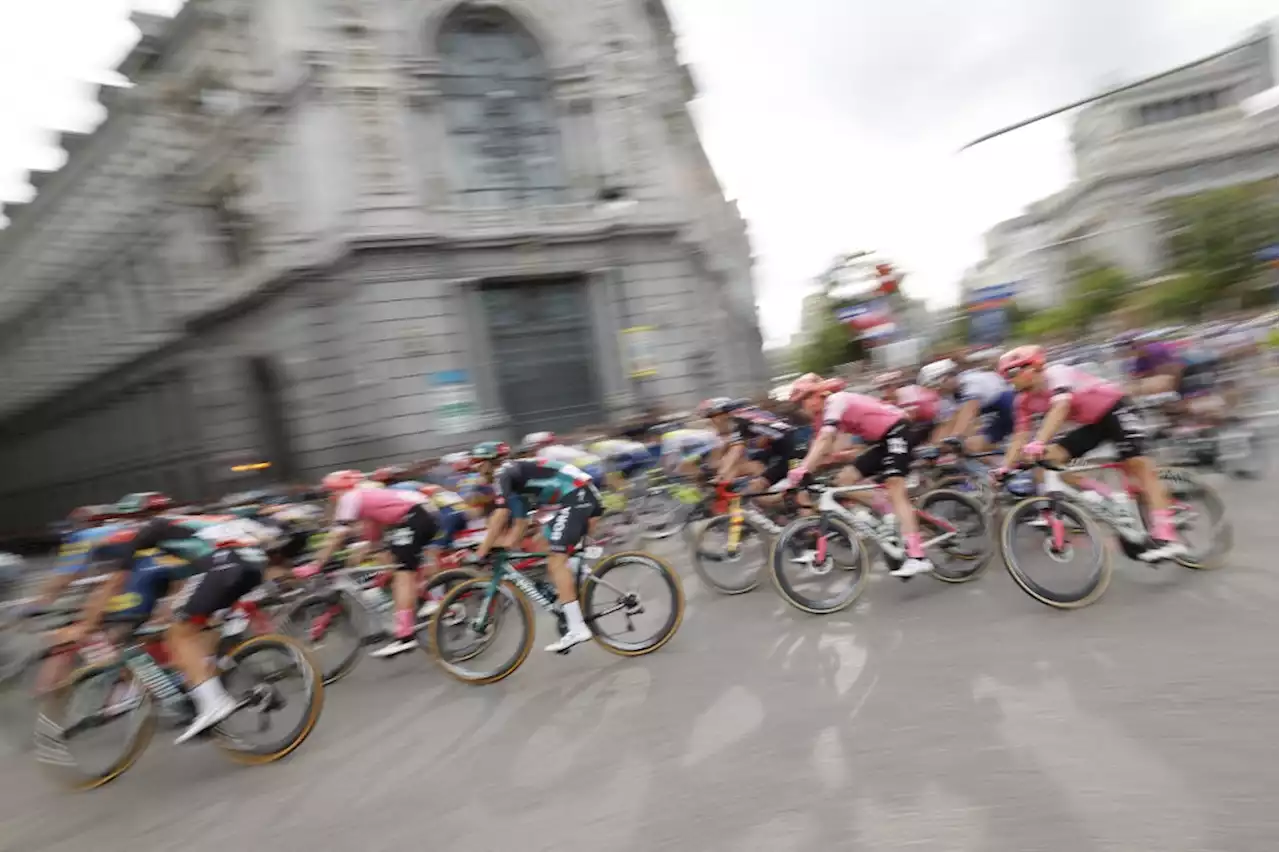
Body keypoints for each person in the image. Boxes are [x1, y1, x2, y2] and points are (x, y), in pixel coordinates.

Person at [64, 509, 289, 743]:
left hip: (226, 562)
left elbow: (114, 585)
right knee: (198, 633)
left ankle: (214, 703)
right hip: (251, 563)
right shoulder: (179, 531)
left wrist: (85, 625)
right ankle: (246, 690)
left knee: (177, 635)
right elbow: (183, 585)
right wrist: (166, 613)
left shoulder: (143, 538)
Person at [996, 345, 1186, 562]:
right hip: (1094, 423)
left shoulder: (1056, 374)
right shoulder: (1023, 401)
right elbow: (1020, 436)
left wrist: (1039, 441)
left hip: (1116, 409)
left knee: (1138, 465)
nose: (1010, 380)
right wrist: (1005, 467)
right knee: (1049, 460)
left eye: (1012, 373)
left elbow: (1061, 407)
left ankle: (1168, 537)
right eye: (1006, 376)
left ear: (1032, 367)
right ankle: (1107, 497)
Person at [785, 373, 935, 578]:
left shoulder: (835, 400)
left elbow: (827, 438)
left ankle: (918, 557)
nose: (805, 406)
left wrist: (804, 469)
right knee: (843, 480)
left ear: (820, 393)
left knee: (894, 486)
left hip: (899, 430)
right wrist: (805, 470)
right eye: (801, 403)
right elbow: (823, 446)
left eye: (807, 398)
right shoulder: (822, 417)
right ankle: (888, 513)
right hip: (881, 441)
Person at [468, 441, 601, 653]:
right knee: (543, 541)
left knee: (556, 562)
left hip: (576, 497)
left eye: (476, 462)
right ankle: (579, 582)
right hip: (581, 496)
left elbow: (501, 514)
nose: (474, 468)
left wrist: (482, 551)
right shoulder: (516, 480)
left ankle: (577, 628)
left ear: (488, 462)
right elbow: (519, 526)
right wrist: (501, 545)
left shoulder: (503, 473)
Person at [299, 470, 441, 659]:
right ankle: (426, 599)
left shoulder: (349, 498)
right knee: (395, 566)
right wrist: (365, 553)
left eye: (329, 494)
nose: (329, 499)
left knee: (402, 574)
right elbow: (374, 536)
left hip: (416, 516)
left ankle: (405, 636)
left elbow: (338, 534)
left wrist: (316, 564)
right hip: (421, 514)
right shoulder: (365, 497)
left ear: (335, 492)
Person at [699, 396, 803, 495]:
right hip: (787, 446)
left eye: (713, 416)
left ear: (724, 414)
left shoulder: (740, 421)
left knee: (754, 487)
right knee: (755, 462)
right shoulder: (753, 414)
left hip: (792, 451)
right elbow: (762, 441)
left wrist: (720, 476)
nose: (713, 421)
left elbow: (735, 451)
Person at [920, 359, 1016, 454]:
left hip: (1011, 407)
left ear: (945, 379)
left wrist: (955, 436)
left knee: (968, 444)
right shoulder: (948, 396)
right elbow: (946, 423)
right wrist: (933, 446)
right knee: (971, 446)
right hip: (996, 414)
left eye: (936, 387)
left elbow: (968, 412)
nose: (937, 392)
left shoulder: (969, 382)